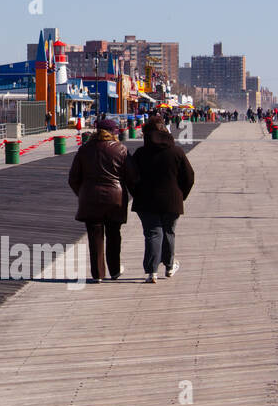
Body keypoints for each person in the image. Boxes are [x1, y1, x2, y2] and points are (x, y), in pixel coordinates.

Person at [123, 116, 194, 283]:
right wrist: (181, 194)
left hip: (146, 201)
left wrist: (136, 193)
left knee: (153, 234)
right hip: (172, 200)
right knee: (169, 232)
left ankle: (151, 272)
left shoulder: (141, 153)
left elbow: (131, 177)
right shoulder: (176, 152)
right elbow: (189, 177)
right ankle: (169, 267)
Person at [67, 117, 129, 283]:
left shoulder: (84, 149)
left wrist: (82, 193)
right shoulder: (121, 149)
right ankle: (115, 270)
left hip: (90, 198)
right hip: (115, 198)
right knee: (114, 234)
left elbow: (73, 178)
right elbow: (132, 176)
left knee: (95, 237)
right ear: (113, 132)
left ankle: (98, 274)